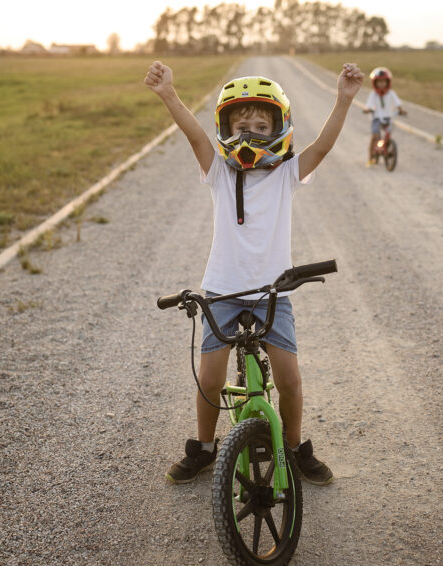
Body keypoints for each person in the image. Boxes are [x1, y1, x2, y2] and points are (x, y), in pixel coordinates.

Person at [144, 60, 364, 485]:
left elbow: (321, 147)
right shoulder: (220, 173)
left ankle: (296, 447)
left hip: (272, 294)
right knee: (209, 378)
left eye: (260, 125)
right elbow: (193, 134)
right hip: (222, 292)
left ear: (279, 129)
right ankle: (205, 448)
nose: (249, 132)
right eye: (240, 124)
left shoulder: (286, 175)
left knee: (289, 379)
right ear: (225, 130)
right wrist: (169, 93)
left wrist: (343, 99)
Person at [363, 67, 407, 166]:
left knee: (388, 134)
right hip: (377, 118)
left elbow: (398, 103)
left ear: (388, 82)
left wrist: (401, 110)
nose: (381, 84)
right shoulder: (373, 94)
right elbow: (369, 105)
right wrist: (367, 109)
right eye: (379, 82)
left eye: (384, 81)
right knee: (375, 136)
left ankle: (386, 148)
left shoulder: (391, 93)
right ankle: (370, 157)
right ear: (375, 83)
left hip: (388, 118)